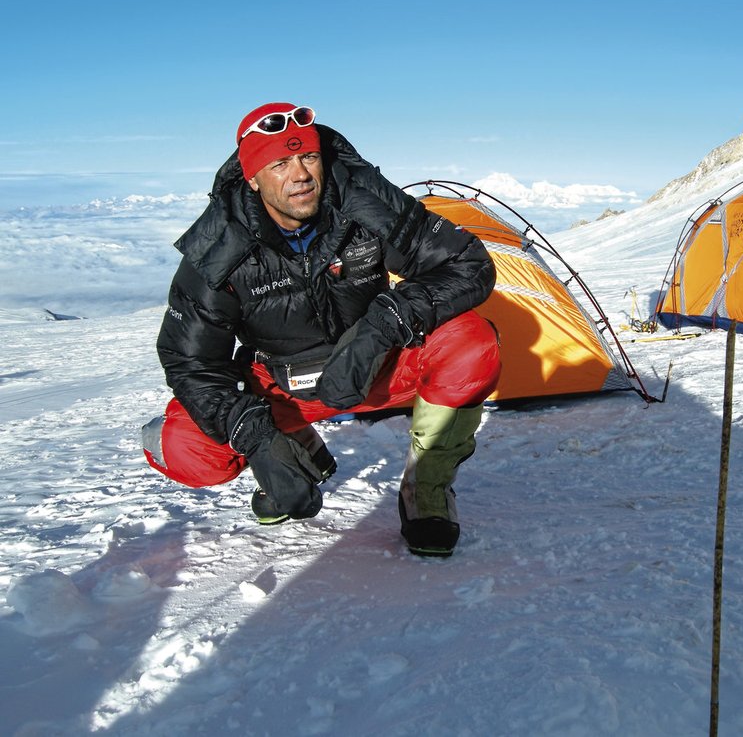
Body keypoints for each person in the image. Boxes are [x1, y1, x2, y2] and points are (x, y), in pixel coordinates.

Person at [142, 102, 501, 556]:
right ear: (252, 178)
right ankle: (295, 450)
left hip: (375, 367)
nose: (301, 175)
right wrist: (255, 437)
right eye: (279, 163)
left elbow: (467, 264)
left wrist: (382, 325)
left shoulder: (363, 203)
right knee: (184, 448)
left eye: (308, 157)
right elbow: (190, 359)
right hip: (284, 385)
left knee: (471, 342)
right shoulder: (219, 245)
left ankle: (424, 491)